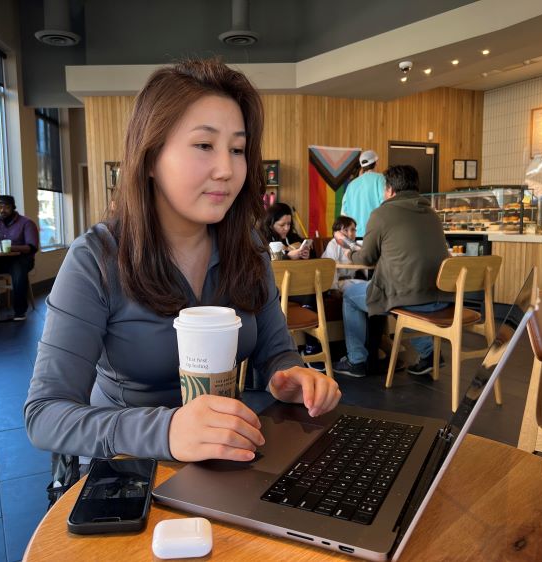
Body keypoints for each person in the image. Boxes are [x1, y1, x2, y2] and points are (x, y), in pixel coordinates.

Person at [24, 59, 341, 465]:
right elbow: (45, 415)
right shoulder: (97, 259)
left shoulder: (248, 248)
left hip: (226, 458)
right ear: (150, 157)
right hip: (128, 466)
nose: (226, 170)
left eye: (237, 150)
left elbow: (276, 351)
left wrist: (289, 375)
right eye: (204, 145)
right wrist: (168, 430)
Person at [332, 165, 451, 378]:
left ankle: (356, 360)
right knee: (406, 290)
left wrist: (349, 252)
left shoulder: (382, 214)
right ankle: (428, 353)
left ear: (390, 190)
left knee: (350, 294)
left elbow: (366, 258)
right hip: (440, 297)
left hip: (406, 297)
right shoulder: (432, 214)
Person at [340, 150, 385, 238]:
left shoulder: (351, 185)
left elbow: (344, 212)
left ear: (362, 166)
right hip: (375, 235)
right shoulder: (381, 179)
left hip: (355, 235)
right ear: (376, 163)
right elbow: (387, 206)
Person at [321, 215, 367, 292]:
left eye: (353, 230)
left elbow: (365, 256)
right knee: (365, 290)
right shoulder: (333, 245)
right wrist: (333, 289)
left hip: (351, 281)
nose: (350, 233)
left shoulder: (354, 245)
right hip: (336, 284)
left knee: (370, 287)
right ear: (337, 233)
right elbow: (331, 268)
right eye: (346, 230)